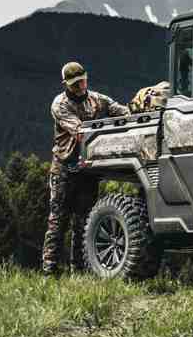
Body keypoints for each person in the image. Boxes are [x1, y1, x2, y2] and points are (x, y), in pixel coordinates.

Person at [42, 61, 130, 276]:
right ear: (66, 84)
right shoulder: (60, 104)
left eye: (82, 81)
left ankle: (79, 271)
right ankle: (49, 271)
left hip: (87, 169)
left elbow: (120, 111)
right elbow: (80, 131)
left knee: (84, 221)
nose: (80, 86)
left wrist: (133, 115)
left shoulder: (97, 99)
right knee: (58, 221)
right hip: (64, 168)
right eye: (75, 84)